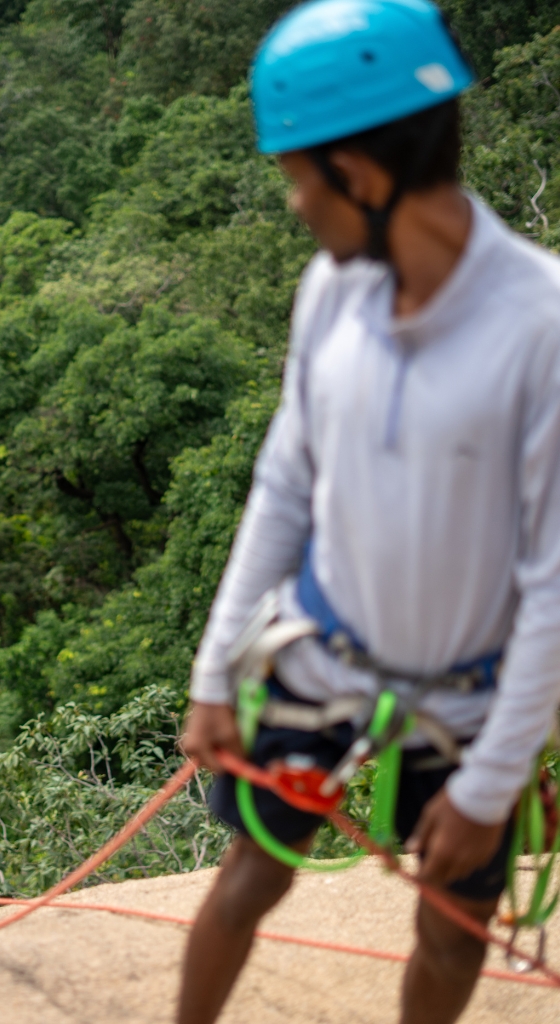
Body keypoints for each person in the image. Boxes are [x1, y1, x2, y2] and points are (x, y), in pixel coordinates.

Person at [178, 1, 560, 1022]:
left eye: (302, 178)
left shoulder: (539, 329)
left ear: (364, 170)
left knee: (450, 922)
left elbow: (553, 590)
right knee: (248, 877)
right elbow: (285, 484)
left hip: (470, 697)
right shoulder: (330, 292)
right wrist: (215, 672)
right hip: (323, 653)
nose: (296, 205)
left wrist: (487, 789)